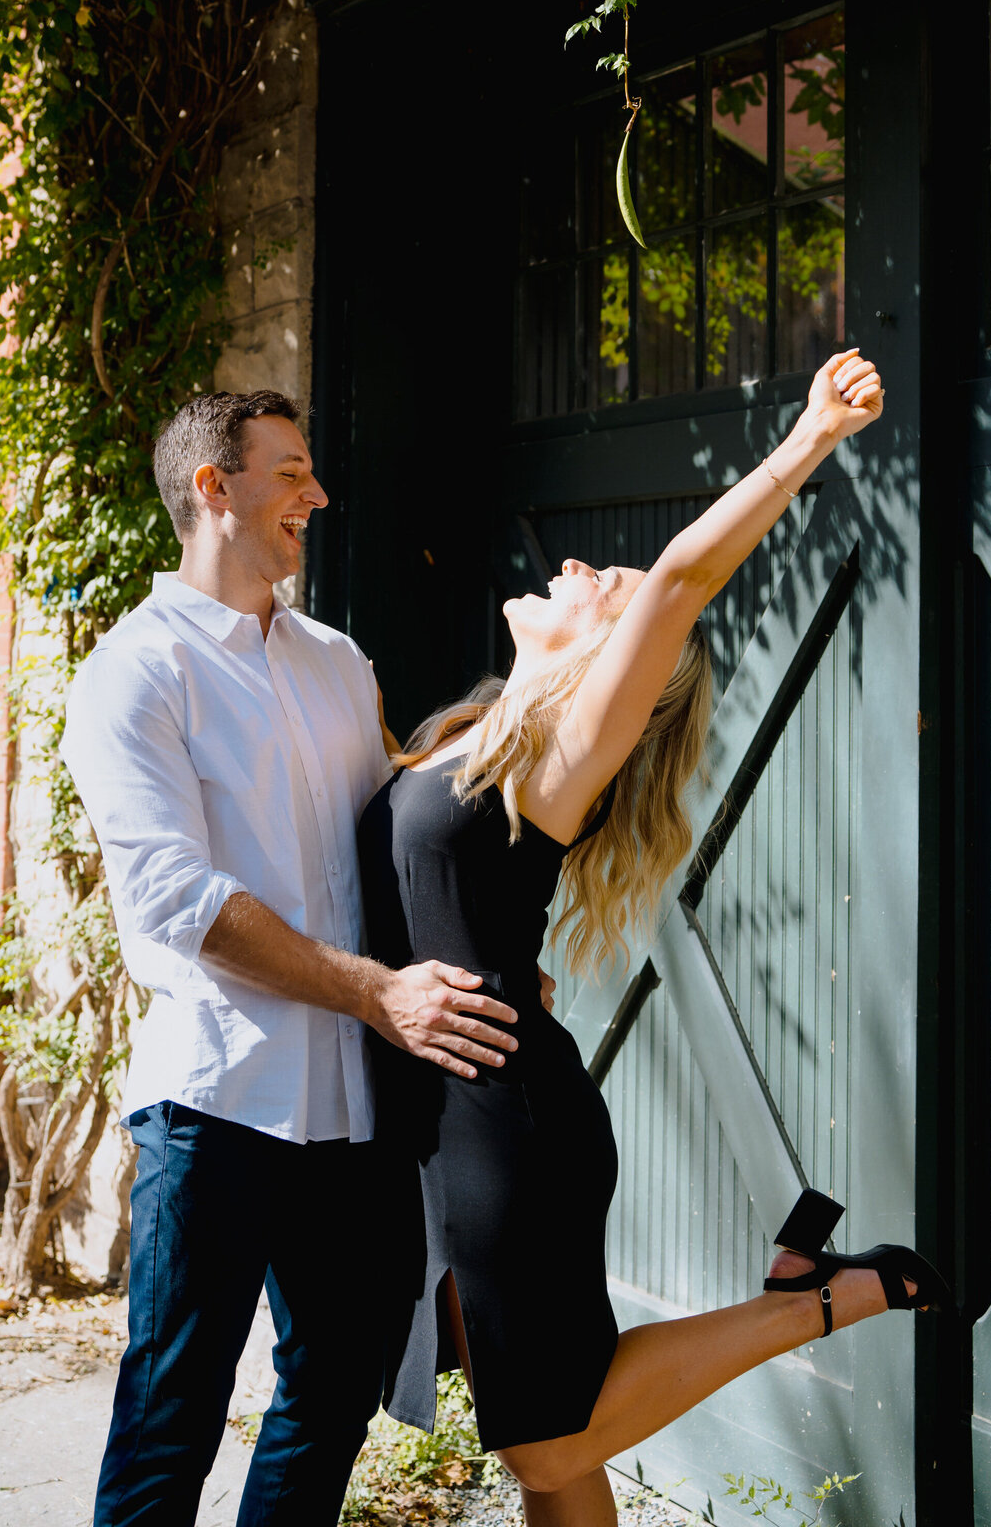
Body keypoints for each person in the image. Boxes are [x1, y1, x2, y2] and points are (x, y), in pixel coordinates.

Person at [358, 349, 951, 1527]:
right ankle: (815, 1286)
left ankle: (835, 1298)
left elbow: (681, 579)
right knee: (565, 1459)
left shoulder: (558, 759)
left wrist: (810, 438)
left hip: (508, 1128)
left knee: (544, 1442)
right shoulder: (476, 737)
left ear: (616, 667)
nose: (577, 564)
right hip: (467, 1115)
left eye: (604, 582)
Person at [61, 389, 523, 1527]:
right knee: (171, 1419)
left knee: (332, 1394)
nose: (317, 494)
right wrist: (377, 991)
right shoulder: (135, 671)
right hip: (217, 1099)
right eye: (292, 471)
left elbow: (394, 844)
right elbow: (178, 897)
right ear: (214, 490)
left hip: (354, 1111)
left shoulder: (336, 662)